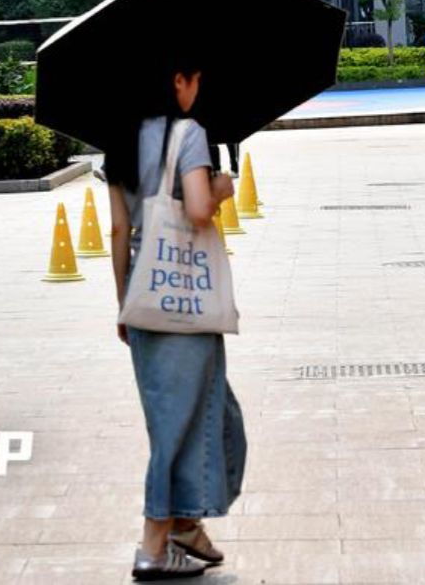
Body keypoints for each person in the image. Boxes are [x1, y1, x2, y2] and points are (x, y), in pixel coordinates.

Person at [106, 69, 247, 581]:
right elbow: (200, 209)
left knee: (210, 413)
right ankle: (153, 543)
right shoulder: (189, 133)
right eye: (195, 79)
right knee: (177, 425)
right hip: (185, 296)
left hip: (144, 293)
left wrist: (124, 302)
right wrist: (221, 188)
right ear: (177, 81)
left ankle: (186, 523)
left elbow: (118, 229)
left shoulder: (119, 143)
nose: (198, 88)